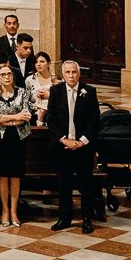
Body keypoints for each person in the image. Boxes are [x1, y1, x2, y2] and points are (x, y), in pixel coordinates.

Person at [45, 59, 103, 232]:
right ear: (63, 75)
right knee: (64, 183)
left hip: (82, 146)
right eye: (68, 72)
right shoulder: (56, 91)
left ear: (79, 74)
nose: (71, 75)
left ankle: (86, 218)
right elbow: (51, 119)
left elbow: (94, 120)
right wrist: (64, 139)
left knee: (86, 183)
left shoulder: (89, 92)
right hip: (63, 146)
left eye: (74, 72)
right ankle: (65, 217)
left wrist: (81, 141)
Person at [0, 61, 37, 225]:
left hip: (17, 138)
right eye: (3, 74)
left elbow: (26, 115)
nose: (6, 77)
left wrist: (4, 119)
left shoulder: (22, 92)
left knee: (15, 175)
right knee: (2, 176)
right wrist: (15, 117)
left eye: (9, 74)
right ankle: (5, 211)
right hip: (0, 138)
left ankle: (14, 211)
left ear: (13, 76)